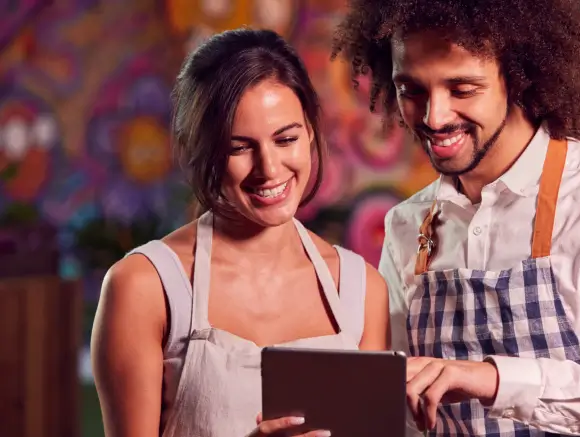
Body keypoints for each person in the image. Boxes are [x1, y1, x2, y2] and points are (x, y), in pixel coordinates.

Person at [331, 0, 580, 436]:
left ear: (516, 79)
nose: (434, 117)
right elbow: (397, 408)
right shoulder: (408, 224)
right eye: (412, 90)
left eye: (462, 89)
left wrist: (494, 380)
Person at [90, 28, 389, 437]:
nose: (269, 168)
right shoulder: (144, 286)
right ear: (204, 149)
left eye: (286, 139)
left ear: (311, 132)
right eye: (239, 147)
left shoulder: (361, 290)